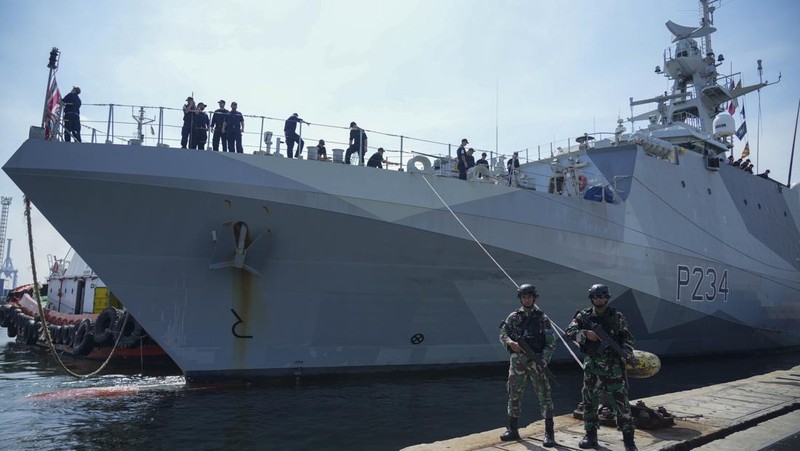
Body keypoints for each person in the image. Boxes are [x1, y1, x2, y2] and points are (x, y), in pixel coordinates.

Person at [565, 284, 638, 451]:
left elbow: (628, 339)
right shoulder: (584, 316)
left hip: (614, 367)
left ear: (607, 297)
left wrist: (626, 353)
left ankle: (628, 439)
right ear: (591, 298)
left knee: (621, 403)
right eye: (595, 296)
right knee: (589, 401)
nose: (599, 299)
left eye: (602, 296)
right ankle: (590, 435)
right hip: (592, 366)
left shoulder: (617, 317)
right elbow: (569, 332)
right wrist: (586, 335)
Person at [498, 284, 556, 447]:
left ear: (534, 298)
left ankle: (549, 433)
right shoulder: (514, 317)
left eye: (530, 296)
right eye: (524, 297)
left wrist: (544, 359)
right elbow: (503, 333)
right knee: (514, 394)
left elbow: (551, 343)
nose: (527, 299)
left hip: (537, 362)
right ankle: (512, 429)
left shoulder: (542, 318)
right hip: (518, 362)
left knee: (544, 395)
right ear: (521, 298)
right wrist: (510, 342)